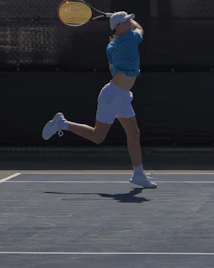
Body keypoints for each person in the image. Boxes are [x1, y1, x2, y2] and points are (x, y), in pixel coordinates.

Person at [41, 11, 156, 188]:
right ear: (117, 26)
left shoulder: (112, 45)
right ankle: (62, 123)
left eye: (128, 21)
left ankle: (138, 174)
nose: (129, 23)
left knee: (134, 133)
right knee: (98, 137)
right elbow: (139, 27)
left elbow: (127, 32)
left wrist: (118, 18)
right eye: (125, 22)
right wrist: (125, 18)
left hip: (122, 95)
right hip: (112, 97)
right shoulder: (131, 38)